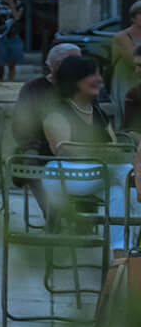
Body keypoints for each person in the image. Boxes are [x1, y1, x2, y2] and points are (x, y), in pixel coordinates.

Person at [36, 55, 141, 259]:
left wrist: (100, 151)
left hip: (100, 174)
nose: (99, 79)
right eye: (93, 74)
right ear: (75, 78)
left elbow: (114, 148)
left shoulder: (98, 113)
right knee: (125, 172)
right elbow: (64, 150)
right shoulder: (57, 111)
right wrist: (103, 151)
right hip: (62, 175)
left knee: (118, 194)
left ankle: (120, 256)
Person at [15, 42, 82, 155]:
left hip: (83, 150)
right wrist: (31, 150)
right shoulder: (33, 88)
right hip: (44, 151)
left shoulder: (82, 88)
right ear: (58, 65)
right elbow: (22, 126)